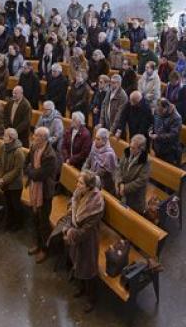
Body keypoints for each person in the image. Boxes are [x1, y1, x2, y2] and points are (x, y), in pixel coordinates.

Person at [48, 170, 104, 313]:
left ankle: (91, 299)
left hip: (88, 241)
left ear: (89, 187)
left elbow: (88, 230)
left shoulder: (96, 204)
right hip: (75, 235)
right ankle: (81, 289)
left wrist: (70, 233)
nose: (77, 184)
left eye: (80, 182)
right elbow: (71, 212)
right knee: (77, 262)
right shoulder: (78, 194)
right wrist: (67, 227)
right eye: (78, 181)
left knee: (88, 269)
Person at [26, 127, 60, 263]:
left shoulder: (50, 155)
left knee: (44, 222)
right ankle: (37, 244)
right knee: (35, 218)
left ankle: (45, 250)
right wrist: (30, 170)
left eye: (36, 136)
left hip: (45, 192)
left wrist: (30, 170)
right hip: (35, 189)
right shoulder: (34, 147)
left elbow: (39, 175)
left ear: (43, 138)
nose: (33, 137)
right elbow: (26, 163)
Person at [0, 128, 26, 231]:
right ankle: (9, 221)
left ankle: (18, 223)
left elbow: (17, 170)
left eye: (5, 135)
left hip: (15, 184)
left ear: (11, 139)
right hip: (4, 181)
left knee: (15, 205)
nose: (3, 137)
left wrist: (4, 179)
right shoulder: (3, 146)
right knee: (8, 203)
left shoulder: (18, 152)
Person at [115, 134, 151, 214]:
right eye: (130, 146)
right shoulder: (127, 152)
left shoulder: (146, 161)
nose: (130, 149)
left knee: (133, 218)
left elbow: (141, 180)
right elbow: (119, 168)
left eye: (133, 148)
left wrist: (125, 188)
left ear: (141, 149)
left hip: (135, 197)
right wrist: (120, 183)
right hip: (122, 190)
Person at [84, 128, 118, 195]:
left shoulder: (109, 154)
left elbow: (104, 173)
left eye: (98, 139)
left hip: (103, 184)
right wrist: (84, 170)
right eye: (95, 138)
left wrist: (90, 175)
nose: (95, 141)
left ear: (104, 141)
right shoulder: (94, 146)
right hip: (92, 178)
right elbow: (88, 160)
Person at [151, 99, 182, 165]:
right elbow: (154, 123)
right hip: (158, 146)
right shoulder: (157, 111)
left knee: (168, 169)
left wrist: (158, 136)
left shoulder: (176, 118)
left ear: (166, 108)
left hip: (169, 150)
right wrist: (151, 131)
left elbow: (173, 135)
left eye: (160, 111)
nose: (159, 113)